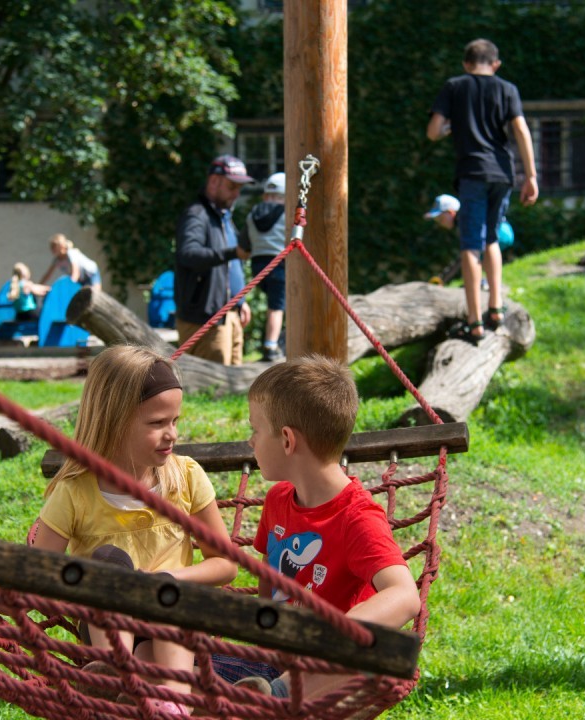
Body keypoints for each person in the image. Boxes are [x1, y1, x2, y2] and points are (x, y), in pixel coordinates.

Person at [0, 345, 238, 717]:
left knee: (165, 608)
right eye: (157, 423)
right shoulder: (76, 492)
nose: (171, 434)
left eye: (175, 420)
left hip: (179, 617)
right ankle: (121, 675)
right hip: (106, 625)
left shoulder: (186, 477)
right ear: (114, 420)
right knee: (108, 563)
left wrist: (165, 579)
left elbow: (225, 564)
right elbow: (38, 573)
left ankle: (173, 701)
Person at [226, 355, 421, 700]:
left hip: (325, 673)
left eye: (255, 431)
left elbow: (405, 596)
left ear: (287, 440)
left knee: (370, 657)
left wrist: (334, 636)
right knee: (177, 664)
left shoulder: (357, 518)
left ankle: (279, 697)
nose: (251, 442)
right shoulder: (278, 499)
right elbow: (269, 586)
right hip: (270, 662)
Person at [427, 38, 539, 342]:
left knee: (470, 246)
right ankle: (496, 308)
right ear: (496, 64)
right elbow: (521, 131)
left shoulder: (454, 86)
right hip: (502, 173)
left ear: (466, 63)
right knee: (491, 238)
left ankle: (475, 321)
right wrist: (531, 175)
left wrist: (452, 127)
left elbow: (433, 131)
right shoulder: (507, 89)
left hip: (472, 173)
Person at [174, 155, 253, 365]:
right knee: (211, 392)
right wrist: (232, 253)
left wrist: (240, 301)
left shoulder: (223, 216)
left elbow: (231, 267)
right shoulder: (196, 215)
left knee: (234, 388)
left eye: (239, 188)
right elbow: (188, 254)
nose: (236, 193)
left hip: (229, 316)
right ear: (214, 182)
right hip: (205, 320)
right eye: (232, 186)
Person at [246, 171, 288, 362]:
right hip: (279, 263)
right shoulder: (287, 214)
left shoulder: (253, 214)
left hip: (258, 264)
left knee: (274, 304)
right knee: (276, 307)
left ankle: (274, 341)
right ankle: (271, 345)